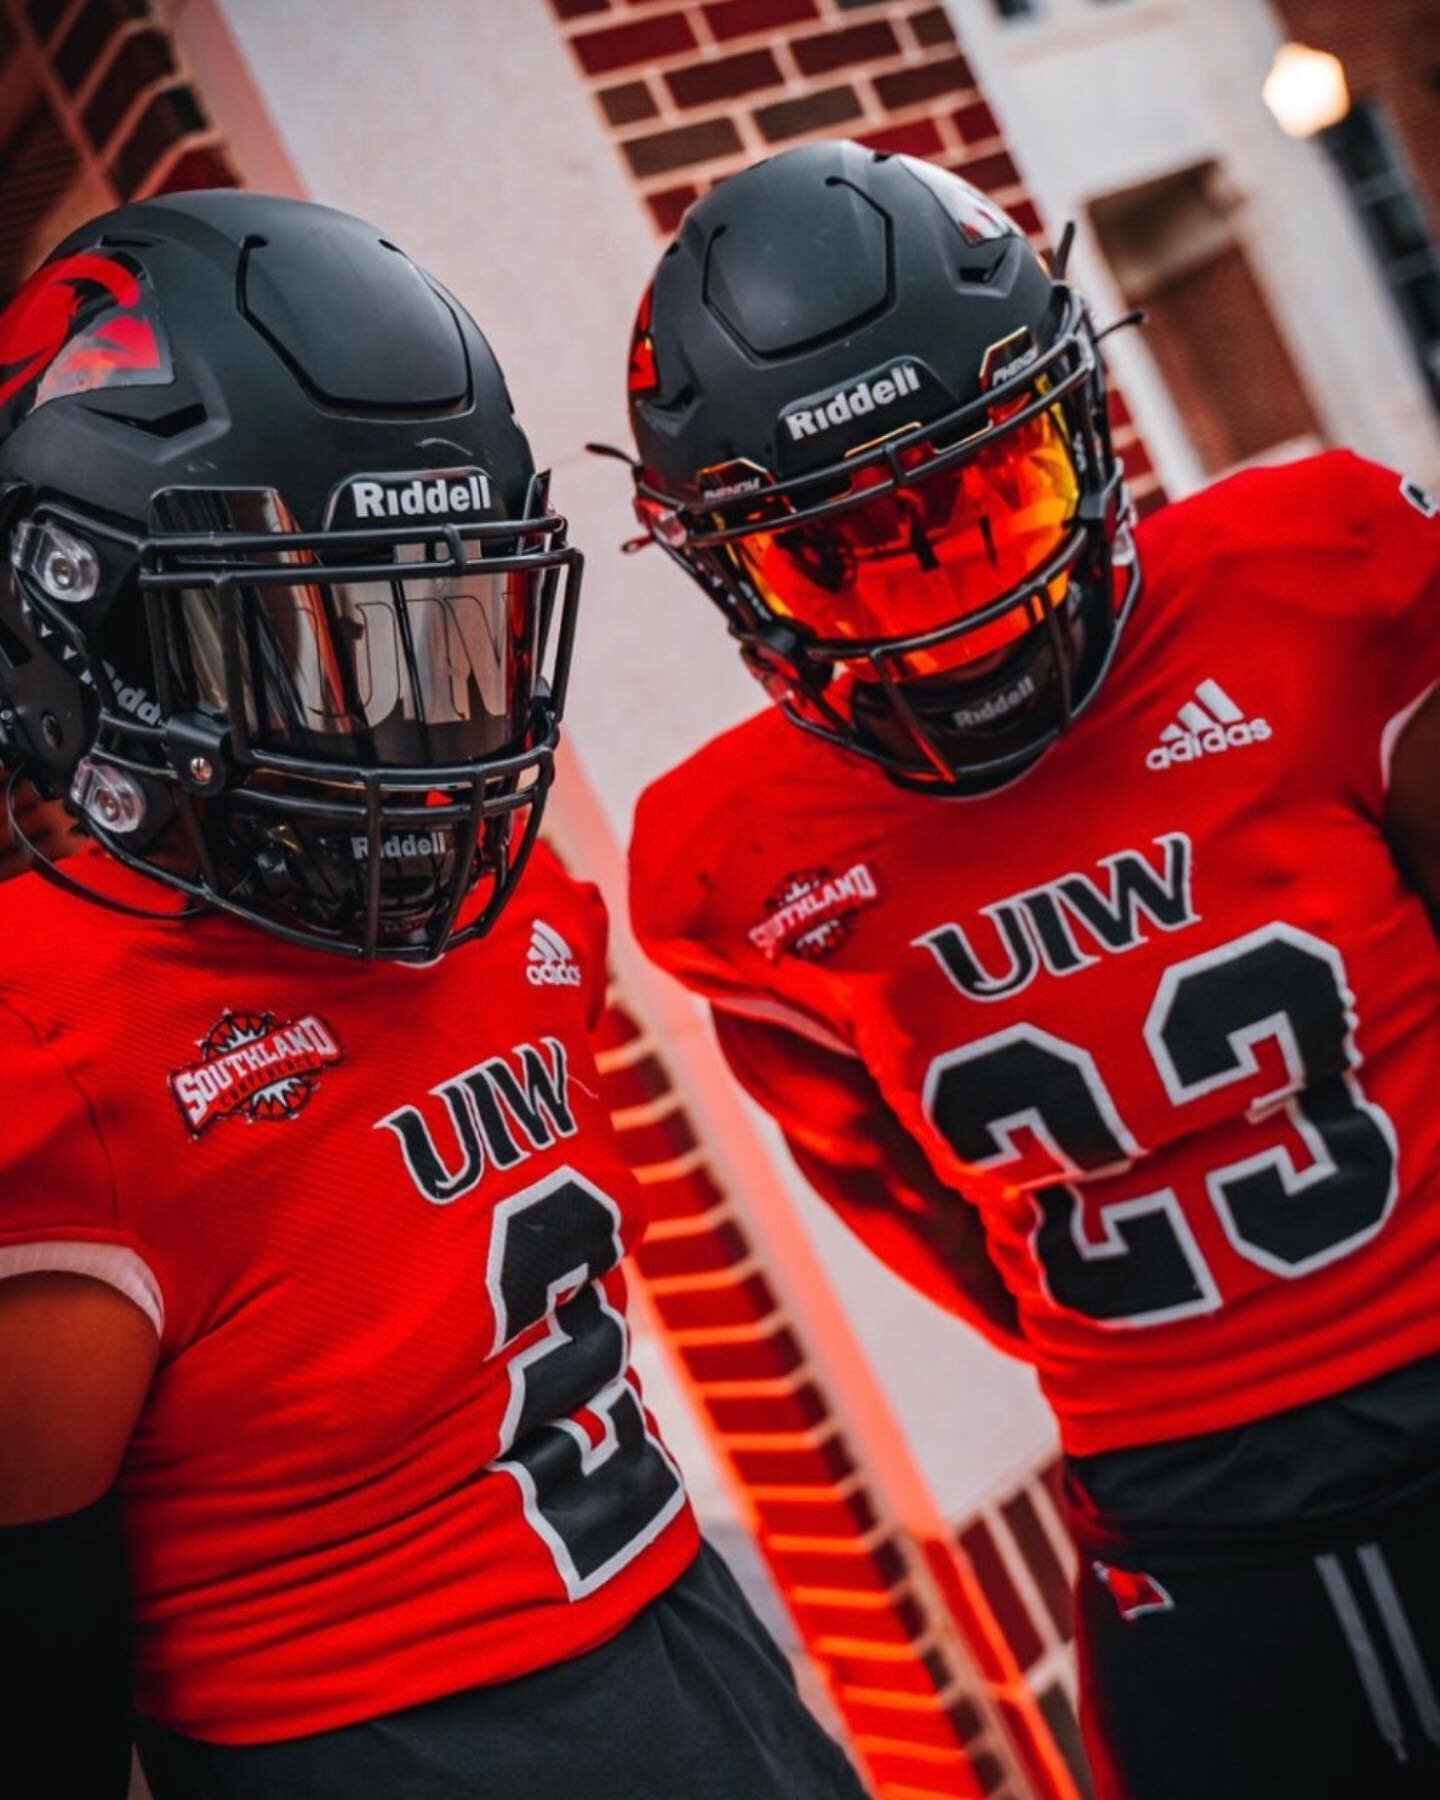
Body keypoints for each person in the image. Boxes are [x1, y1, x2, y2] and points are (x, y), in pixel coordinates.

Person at [0, 190, 867, 1800]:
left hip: (694, 1650)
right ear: (74, 637)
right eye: (306, 651)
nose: (407, 735)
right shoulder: (51, 1046)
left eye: (436, 628)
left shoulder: (521, 912)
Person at [620, 140, 1440, 1799]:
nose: (951, 619)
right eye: (841, 551)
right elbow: (914, 1216)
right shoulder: (740, 864)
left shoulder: (1318, 579)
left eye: (986, 503)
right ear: (727, 572)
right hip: (1190, 1545)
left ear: (1078, 423)